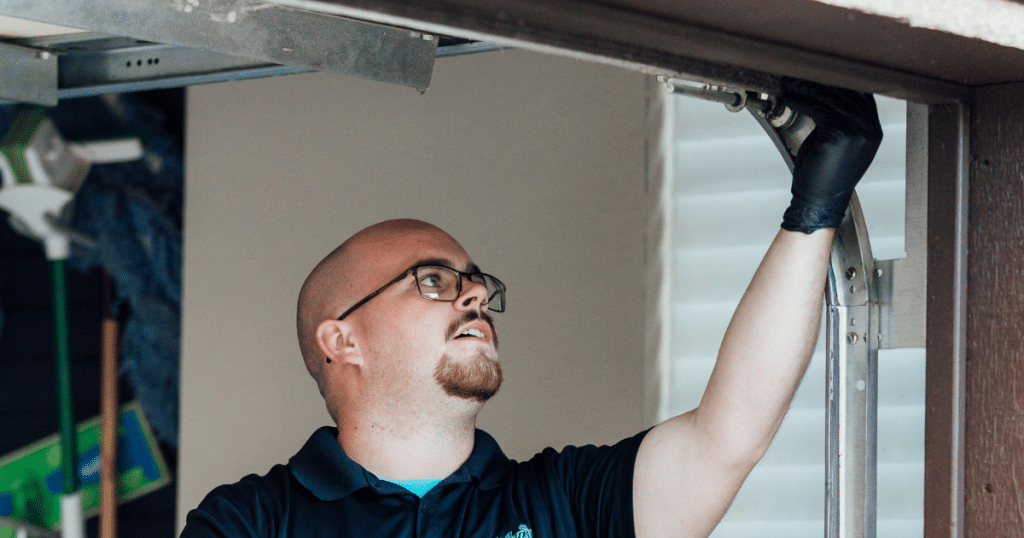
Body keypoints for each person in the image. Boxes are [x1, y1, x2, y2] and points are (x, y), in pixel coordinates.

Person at [179, 79, 882, 538]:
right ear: (343, 340)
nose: (475, 293)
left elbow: (728, 439)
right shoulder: (249, 524)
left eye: (477, 282)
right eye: (433, 280)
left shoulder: (563, 503)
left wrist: (813, 212)